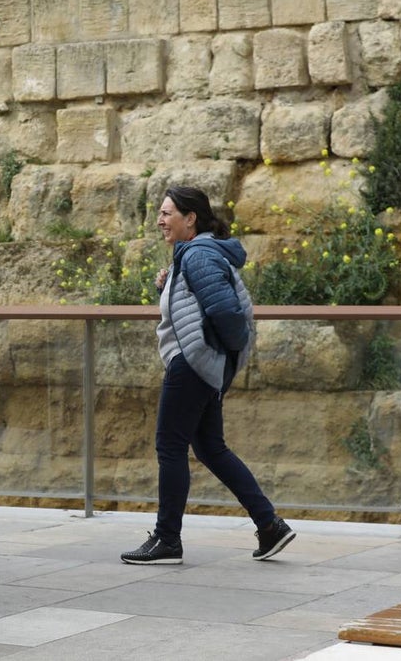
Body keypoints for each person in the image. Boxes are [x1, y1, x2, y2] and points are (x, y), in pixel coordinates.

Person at [121, 186, 295, 565]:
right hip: (203, 364)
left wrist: (219, 352)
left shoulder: (198, 254)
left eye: (168, 213)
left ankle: (167, 539)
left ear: (190, 218)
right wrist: (168, 286)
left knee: (170, 446)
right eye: (161, 213)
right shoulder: (195, 254)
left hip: (193, 363)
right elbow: (202, 304)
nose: (160, 220)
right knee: (210, 448)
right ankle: (270, 526)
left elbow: (228, 315)